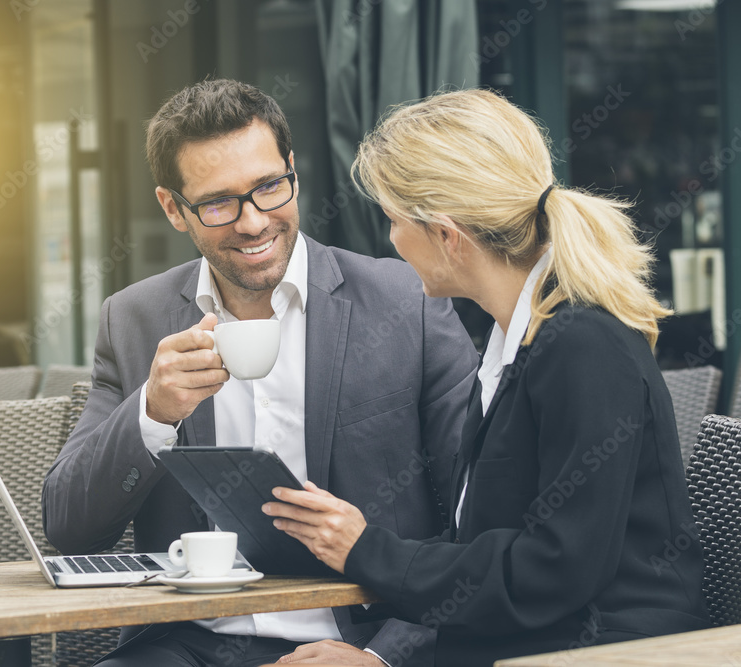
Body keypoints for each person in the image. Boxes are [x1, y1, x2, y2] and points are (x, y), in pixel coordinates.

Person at [263, 88, 711, 666]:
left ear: (447, 236)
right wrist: (381, 657)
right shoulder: (517, 341)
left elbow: (553, 570)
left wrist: (367, 550)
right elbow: (492, 550)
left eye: (394, 221)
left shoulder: (582, 346)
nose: (391, 240)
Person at [41, 79, 479, 667]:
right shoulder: (135, 318)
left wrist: (387, 657)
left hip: (360, 641)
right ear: (173, 208)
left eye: (269, 188)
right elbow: (72, 529)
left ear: (292, 172)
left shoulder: (408, 302)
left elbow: (478, 521)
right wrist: (152, 410)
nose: (252, 223)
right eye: (218, 202)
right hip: (185, 645)